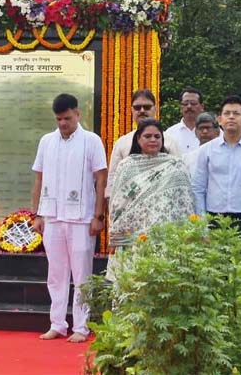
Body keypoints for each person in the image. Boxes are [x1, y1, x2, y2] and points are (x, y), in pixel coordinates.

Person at [31, 93, 107, 343]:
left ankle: (81, 327)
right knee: (56, 273)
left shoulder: (91, 141)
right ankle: (57, 323)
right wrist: (37, 214)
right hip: (53, 216)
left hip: (82, 218)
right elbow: (39, 179)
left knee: (81, 274)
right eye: (59, 119)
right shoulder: (46, 141)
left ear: (78, 114)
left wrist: (98, 216)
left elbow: (101, 179)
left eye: (67, 118)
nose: (63, 123)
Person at [108, 118, 193, 282]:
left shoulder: (175, 165)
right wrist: (116, 235)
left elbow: (185, 201)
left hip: (166, 238)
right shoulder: (126, 166)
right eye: (148, 136)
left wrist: (187, 234)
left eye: (157, 136)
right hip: (132, 238)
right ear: (138, 139)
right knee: (131, 287)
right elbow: (118, 203)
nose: (153, 140)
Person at [191, 96, 241, 250]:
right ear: (220, 119)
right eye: (227, 113)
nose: (231, 117)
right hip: (214, 219)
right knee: (214, 272)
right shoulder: (206, 151)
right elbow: (198, 189)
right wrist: (203, 227)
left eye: (236, 113)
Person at [105, 89, 179, 201]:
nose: (142, 110)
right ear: (132, 110)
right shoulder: (123, 142)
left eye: (147, 107)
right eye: (137, 107)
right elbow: (113, 178)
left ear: (155, 109)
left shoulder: (169, 141)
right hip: (130, 204)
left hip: (163, 203)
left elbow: (178, 175)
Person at [165, 87, 205, 155]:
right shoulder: (169, 133)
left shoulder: (213, 131)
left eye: (193, 103)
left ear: (202, 107)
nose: (189, 106)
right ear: (181, 107)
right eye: (185, 104)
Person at [184, 112, 219, 181]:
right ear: (196, 132)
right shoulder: (187, 158)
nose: (205, 131)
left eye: (208, 128)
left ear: (217, 131)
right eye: (201, 128)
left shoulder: (224, 155)